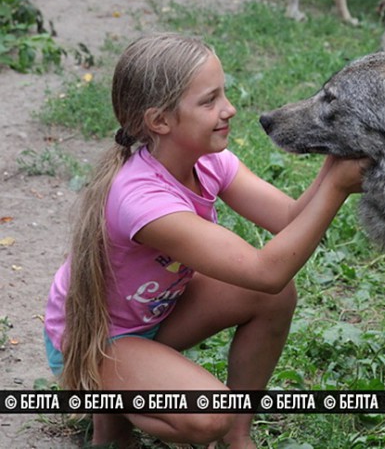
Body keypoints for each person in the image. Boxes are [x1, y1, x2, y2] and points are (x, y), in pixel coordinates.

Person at [43, 33, 367, 448]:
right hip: (96, 341)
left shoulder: (208, 160)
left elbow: (288, 218)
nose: (228, 109)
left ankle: (236, 436)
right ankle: (112, 407)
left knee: (274, 297)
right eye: (209, 101)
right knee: (209, 413)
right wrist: (337, 185)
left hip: (153, 317)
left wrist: (334, 155)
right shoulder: (142, 200)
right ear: (160, 121)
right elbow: (266, 270)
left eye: (224, 94)